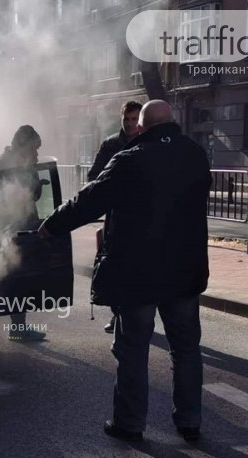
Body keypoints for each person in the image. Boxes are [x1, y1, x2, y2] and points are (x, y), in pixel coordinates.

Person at [38, 100, 211, 443]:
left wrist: (51, 226)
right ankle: (190, 421)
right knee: (187, 349)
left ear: (142, 127)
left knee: (133, 349)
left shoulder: (130, 159)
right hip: (185, 269)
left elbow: (90, 200)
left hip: (138, 272)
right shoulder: (195, 154)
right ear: (172, 123)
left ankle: (130, 424)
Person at [0, 125, 47, 348]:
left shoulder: (28, 166)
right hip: (0, 232)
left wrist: (36, 182)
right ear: (21, 145)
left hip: (22, 230)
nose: (36, 154)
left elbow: (33, 196)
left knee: (21, 279)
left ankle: (18, 327)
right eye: (34, 149)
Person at [88, 101, 143, 334]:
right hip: (116, 215)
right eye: (126, 119)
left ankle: (138, 314)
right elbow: (94, 177)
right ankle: (117, 314)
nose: (130, 124)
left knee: (141, 265)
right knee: (112, 262)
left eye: (134, 119)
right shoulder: (111, 144)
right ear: (121, 119)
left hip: (144, 215)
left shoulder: (150, 142)